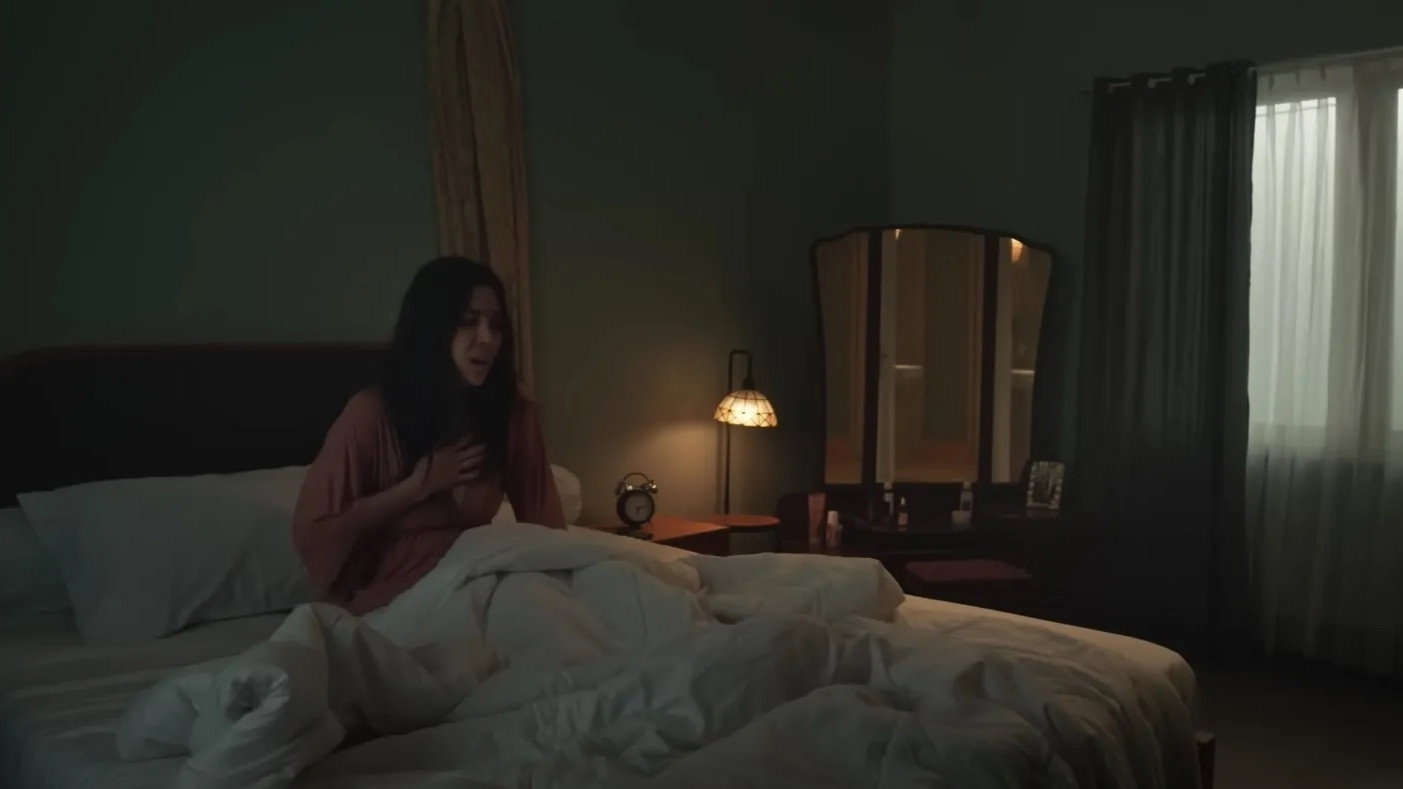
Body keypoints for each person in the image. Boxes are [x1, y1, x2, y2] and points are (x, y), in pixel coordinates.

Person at [294, 256, 565, 615]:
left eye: (496, 325)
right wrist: (416, 488)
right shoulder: (371, 414)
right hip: (397, 599)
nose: (488, 339)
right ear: (434, 326)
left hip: (481, 578)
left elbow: (546, 525)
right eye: (469, 321)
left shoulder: (511, 413)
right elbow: (318, 536)